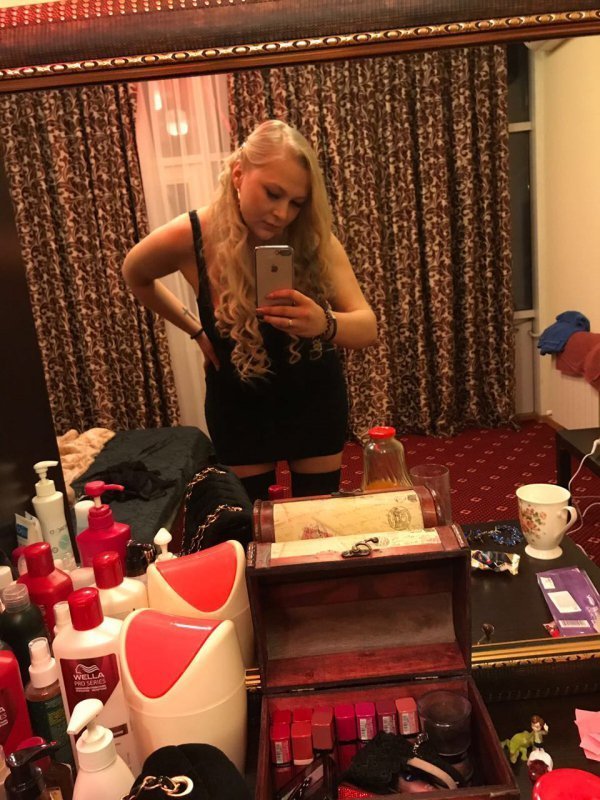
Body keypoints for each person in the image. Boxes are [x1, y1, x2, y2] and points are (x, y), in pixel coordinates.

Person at [123, 120, 377, 501]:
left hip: (314, 400)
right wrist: (195, 330)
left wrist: (324, 323)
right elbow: (135, 273)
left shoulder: (313, 239)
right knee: (249, 524)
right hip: (238, 408)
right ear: (239, 174)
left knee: (314, 523)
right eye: (273, 194)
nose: (282, 213)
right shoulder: (193, 235)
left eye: (296, 203)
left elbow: (367, 327)